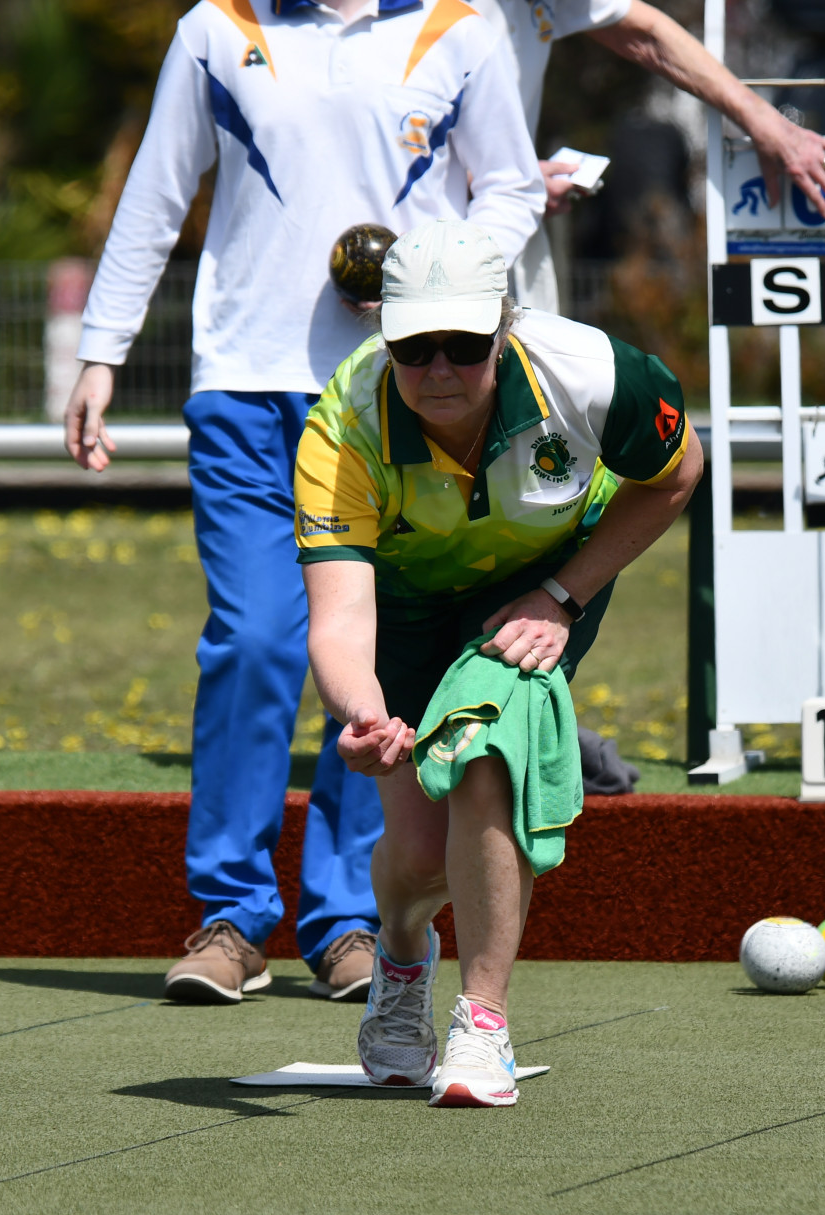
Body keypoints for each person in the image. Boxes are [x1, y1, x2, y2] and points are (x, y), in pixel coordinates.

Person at [64, 0, 544, 1006]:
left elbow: (510, 187)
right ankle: (232, 921)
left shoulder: (458, 25)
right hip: (243, 385)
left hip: (396, 390)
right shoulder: (214, 25)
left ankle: (346, 920)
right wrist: (100, 351)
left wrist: (437, 277)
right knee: (252, 640)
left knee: (371, 654)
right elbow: (156, 191)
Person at [295, 220, 701, 1106]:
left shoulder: (591, 374)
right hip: (399, 605)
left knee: (487, 754)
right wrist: (359, 711)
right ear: (384, 339)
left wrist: (564, 595)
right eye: (414, 347)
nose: (439, 369)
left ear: (506, 330)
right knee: (413, 849)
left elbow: (676, 473)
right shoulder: (343, 427)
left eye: (465, 346)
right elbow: (338, 615)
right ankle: (402, 959)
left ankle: (483, 1024)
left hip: (537, 587)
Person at [475, 0, 825, 311]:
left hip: (501, 258)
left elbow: (647, 33)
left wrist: (767, 123)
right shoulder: (434, 17)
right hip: (434, 263)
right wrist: (497, 180)